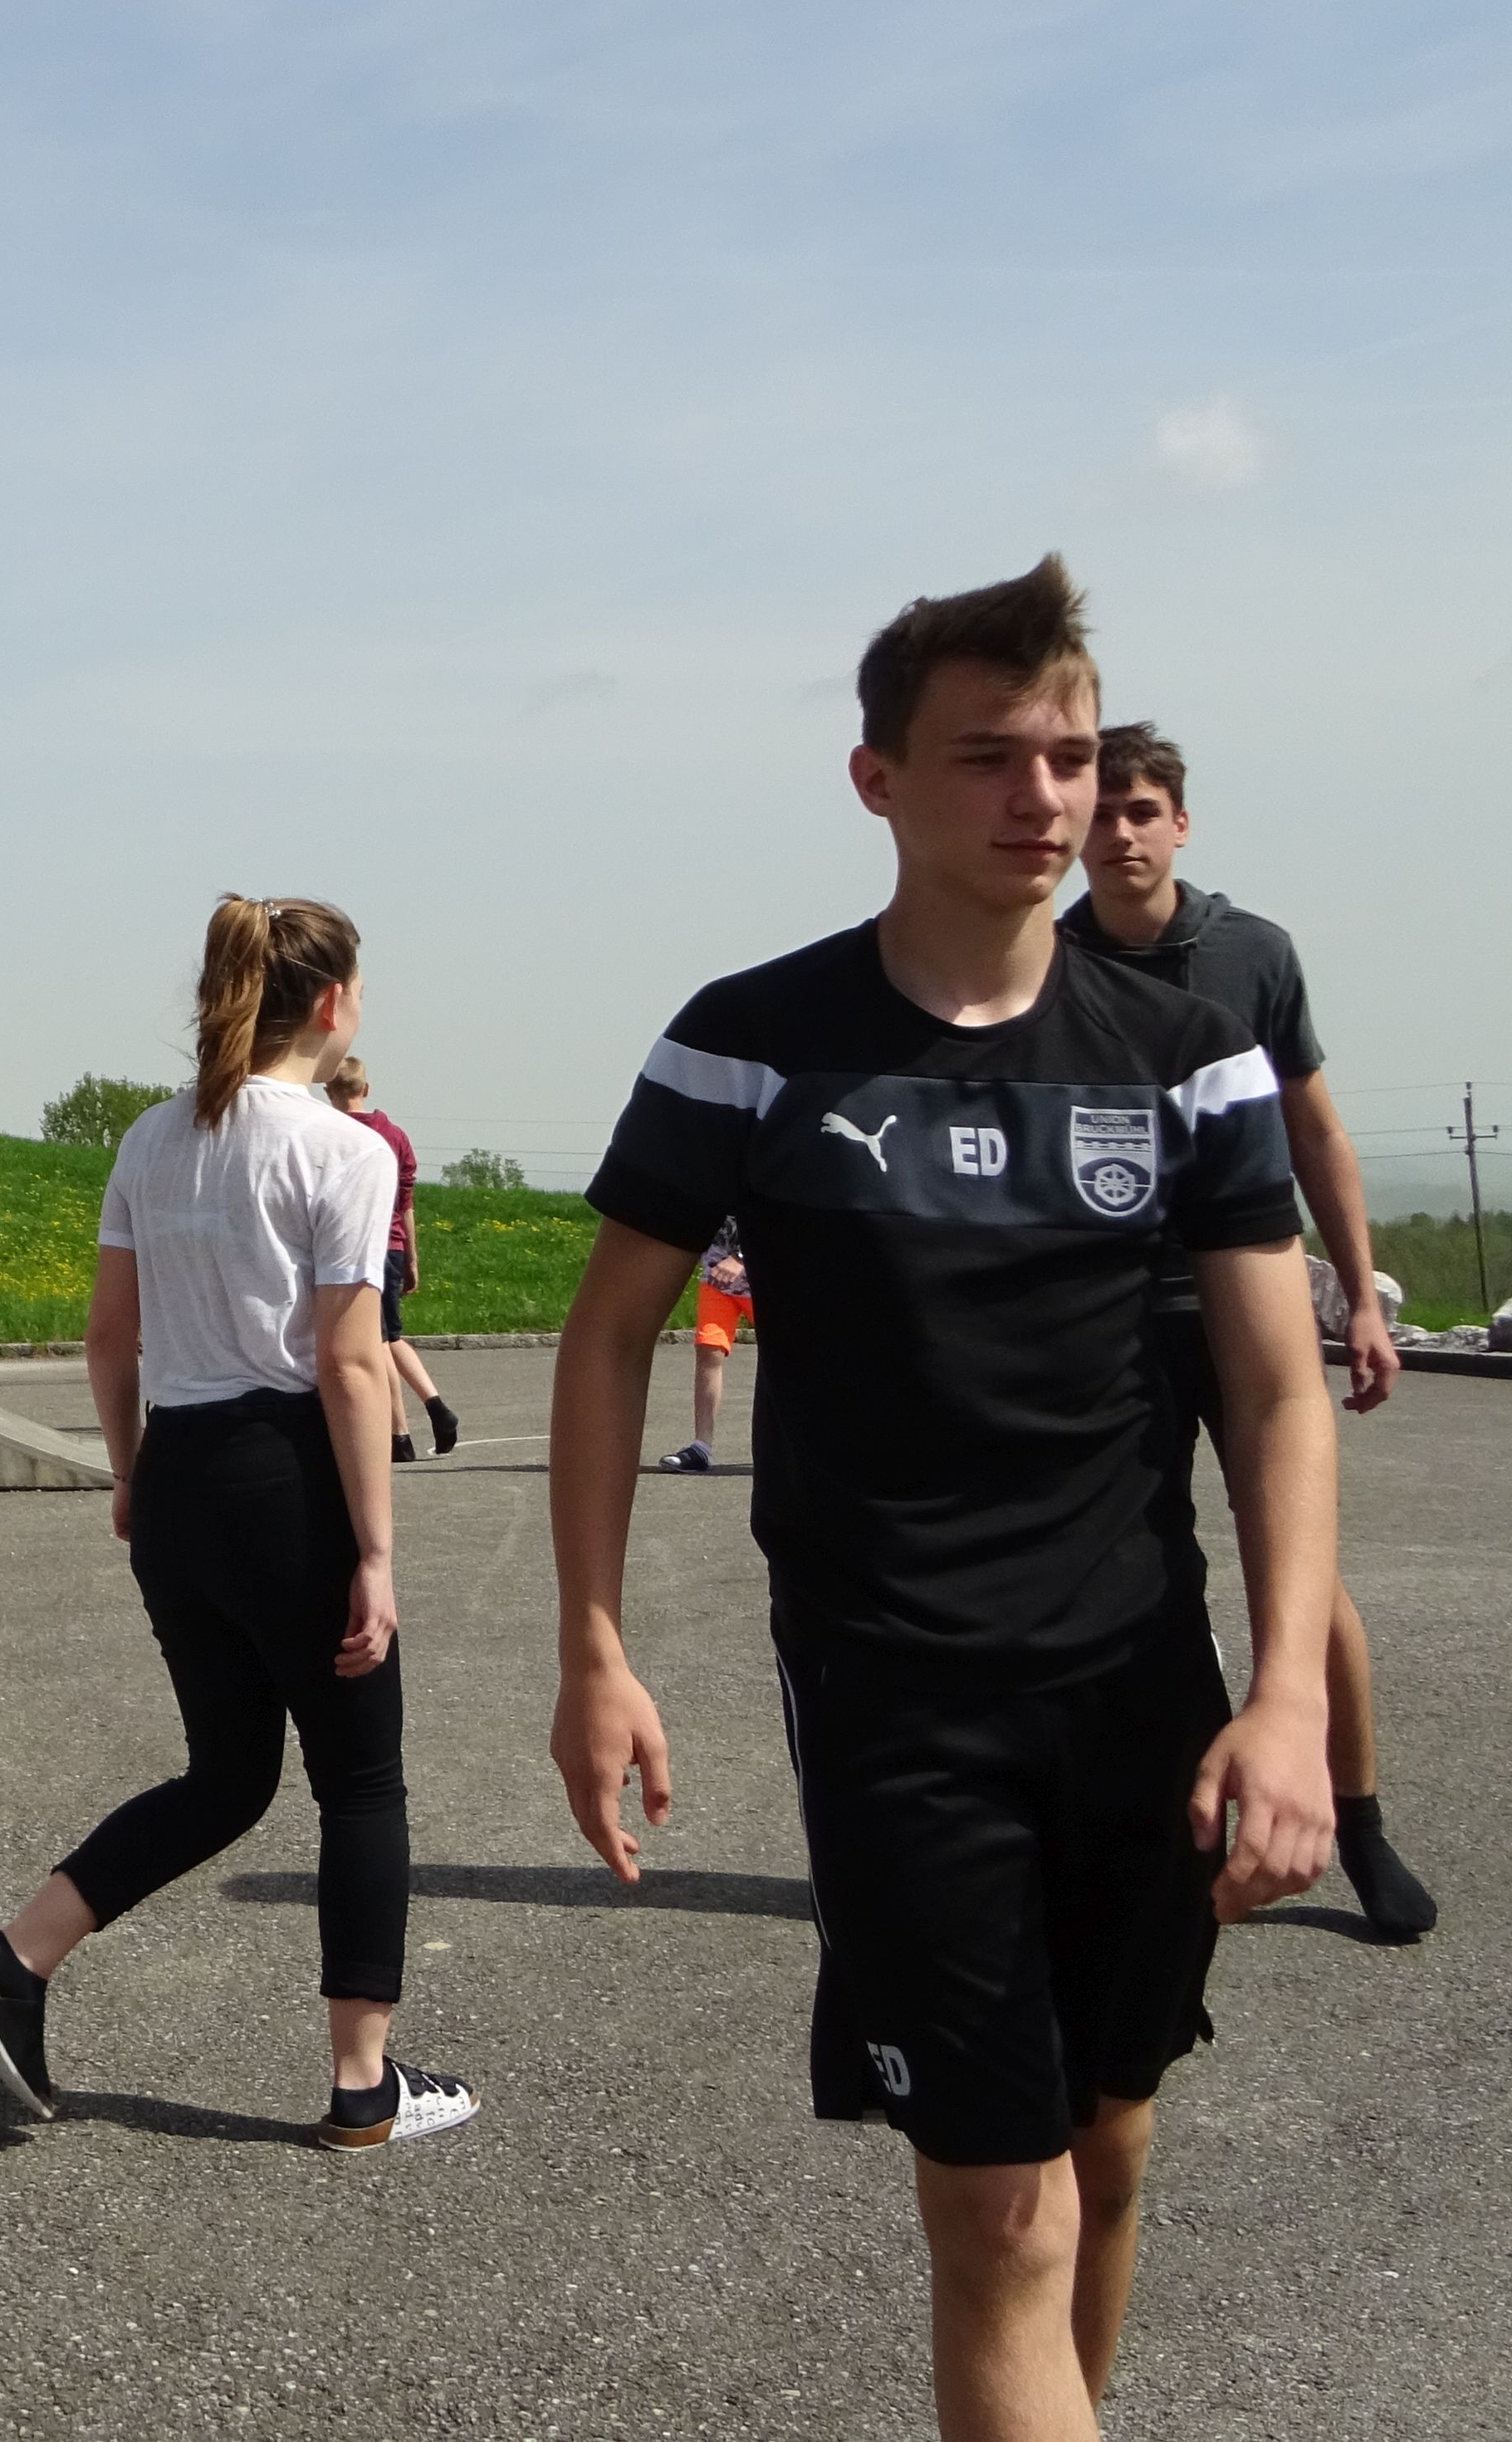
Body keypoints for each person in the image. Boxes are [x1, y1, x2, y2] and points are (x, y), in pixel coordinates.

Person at [548, 556, 1335, 2442]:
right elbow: (605, 1337)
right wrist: (591, 1645)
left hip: (1134, 1677)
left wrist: (1288, 1688)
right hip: (893, 1690)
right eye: (986, 755)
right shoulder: (751, 1040)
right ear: (875, 778)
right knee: (995, 2209)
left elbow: (1270, 1383)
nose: (1042, 796)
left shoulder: (1183, 1056)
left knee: (1104, 2144)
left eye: (1066, 754)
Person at [0, 895, 476, 2151]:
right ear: (333, 1001)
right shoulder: (347, 1149)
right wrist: (377, 1554)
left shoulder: (152, 1137)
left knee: (229, 1775)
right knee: (362, 1783)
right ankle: (364, 2087)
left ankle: (15, 1957)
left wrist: (133, 1472)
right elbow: (350, 1365)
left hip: (178, 1471)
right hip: (284, 1479)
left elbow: (107, 1336)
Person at [1063, 722, 1436, 1941]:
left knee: (1303, 1580)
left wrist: (1362, 1297)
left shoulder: (1252, 954)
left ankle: (1359, 1824)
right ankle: (1138, 1824)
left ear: (1180, 824)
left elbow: (1316, 1131)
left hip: (1250, 1303)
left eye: (1141, 811)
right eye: (1101, 811)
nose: (1119, 833)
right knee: (1110, 1575)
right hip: (1111, 1316)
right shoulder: (1046, 961)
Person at [324, 1058, 460, 1458]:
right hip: (394, 1246)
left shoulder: (332, 1133)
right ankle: (436, 1407)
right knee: (391, 1337)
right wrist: (412, 1257)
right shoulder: (394, 1135)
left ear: (328, 1092)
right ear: (366, 1089)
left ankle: (399, 1435)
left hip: (356, 1247)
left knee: (377, 1340)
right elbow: (406, 1201)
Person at [660, 1225, 747, 1473]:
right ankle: (701, 1448)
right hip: (717, 1280)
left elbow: (779, 1217)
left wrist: (741, 1257)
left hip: (770, 1279)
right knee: (709, 1350)